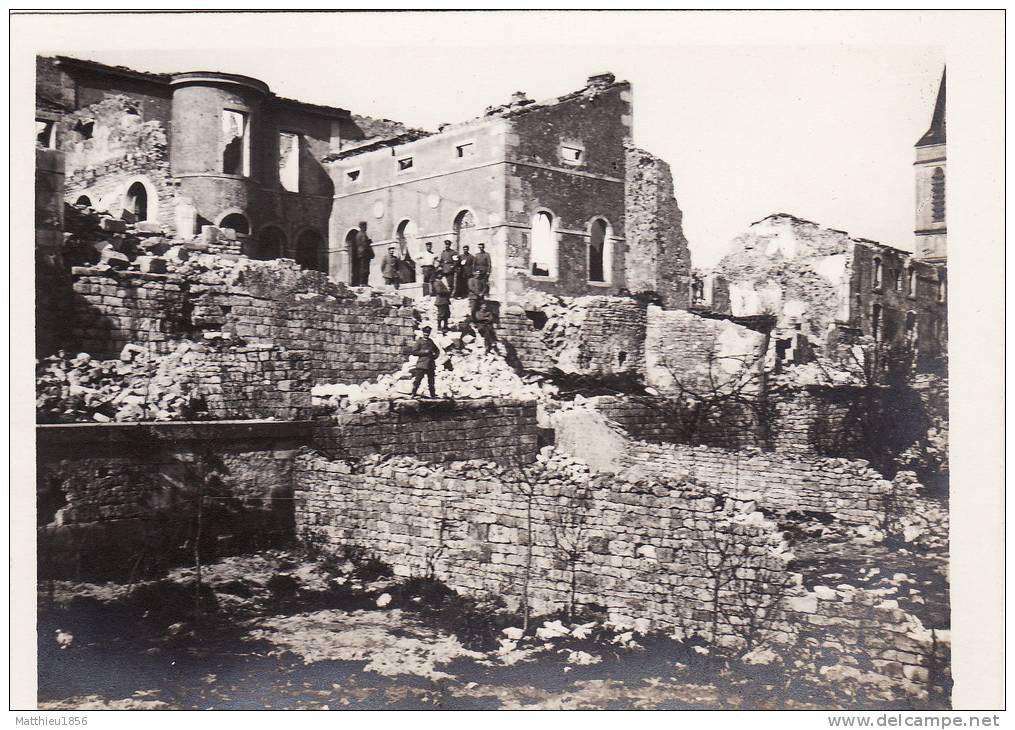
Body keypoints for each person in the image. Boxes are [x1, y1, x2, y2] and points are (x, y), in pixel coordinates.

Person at [408, 326, 439, 398]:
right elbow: (414, 352)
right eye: (425, 333)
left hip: (431, 364)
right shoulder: (419, 342)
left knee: (431, 381)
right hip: (422, 364)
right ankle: (413, 393)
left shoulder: (431, 341)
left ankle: (432, 395)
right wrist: (425, 352)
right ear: (423, 333)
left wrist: (435, 356)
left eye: (428, 333)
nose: (426, 335)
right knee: (417, 380)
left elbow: (437, 350)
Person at [352, 222, 374, 286]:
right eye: (365, 226)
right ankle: (363, 283)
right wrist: (369, 242)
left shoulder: (358, 234)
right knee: (365, 269)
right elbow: (364, 244)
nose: (366, 227)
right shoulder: (363, 234)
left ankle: (363, 283)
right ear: (363, 226)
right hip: (364, 254)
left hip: (361, 253)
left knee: (363, 268)